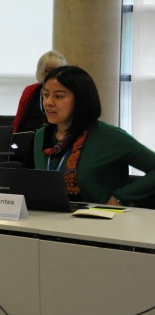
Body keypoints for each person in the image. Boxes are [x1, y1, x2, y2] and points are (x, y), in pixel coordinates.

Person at [31, 66, 155, 206]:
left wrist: (120, 198)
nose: (48, 102)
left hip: (100, 223)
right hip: (50, 220)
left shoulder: (109, 137)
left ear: (80, 100)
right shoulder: (41, 136)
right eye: (46, 95)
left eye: (59, 96)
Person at [13, 50, 67, 133]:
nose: (51, 75)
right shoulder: (30, 91)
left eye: (55, 71)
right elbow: (17, 123)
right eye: (47, 71)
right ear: (41, 71)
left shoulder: (66, 93)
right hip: (27, 138)